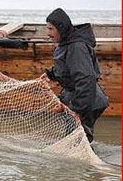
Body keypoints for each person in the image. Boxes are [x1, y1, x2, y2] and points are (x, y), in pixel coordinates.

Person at [42, 8, 109, 143]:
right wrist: (50, 74)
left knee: (77, 141)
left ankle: (92, 164)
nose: (47, 33)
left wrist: (77, 109)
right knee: (73, 140)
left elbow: (85, 78)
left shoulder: (76, 47)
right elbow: (67, 69)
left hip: (88, 101)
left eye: (51, 29)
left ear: (61, 28)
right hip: (79, 98)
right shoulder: (65, 43)